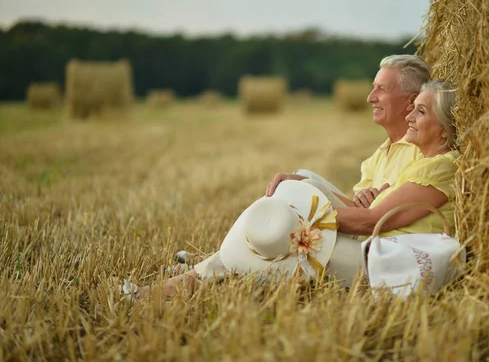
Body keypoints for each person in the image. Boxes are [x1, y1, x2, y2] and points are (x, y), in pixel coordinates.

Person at [120, 79, 459, 300]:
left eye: (421, 111)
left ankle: (179, 284)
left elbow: (369, 222)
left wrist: (298, 216)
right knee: (298, 190)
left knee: (277, 231)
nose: (410, 117)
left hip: (380, 266)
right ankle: (200, 274)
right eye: (412, 108)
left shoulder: (441, 166)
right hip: (373, 250)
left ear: (444, 129)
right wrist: (300, 195)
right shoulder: (421, 162)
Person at [266, 54, 431, 208]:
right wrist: (299, 181)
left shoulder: (424, 150)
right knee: (299, 178)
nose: (370, 98)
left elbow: (376, 215)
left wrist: (305, 185)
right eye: (374, 88)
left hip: (385, 236)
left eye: (382, 89)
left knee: (301, 183)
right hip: (364, 229)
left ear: (412, 100)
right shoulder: (376, 158)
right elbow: (357, 210)